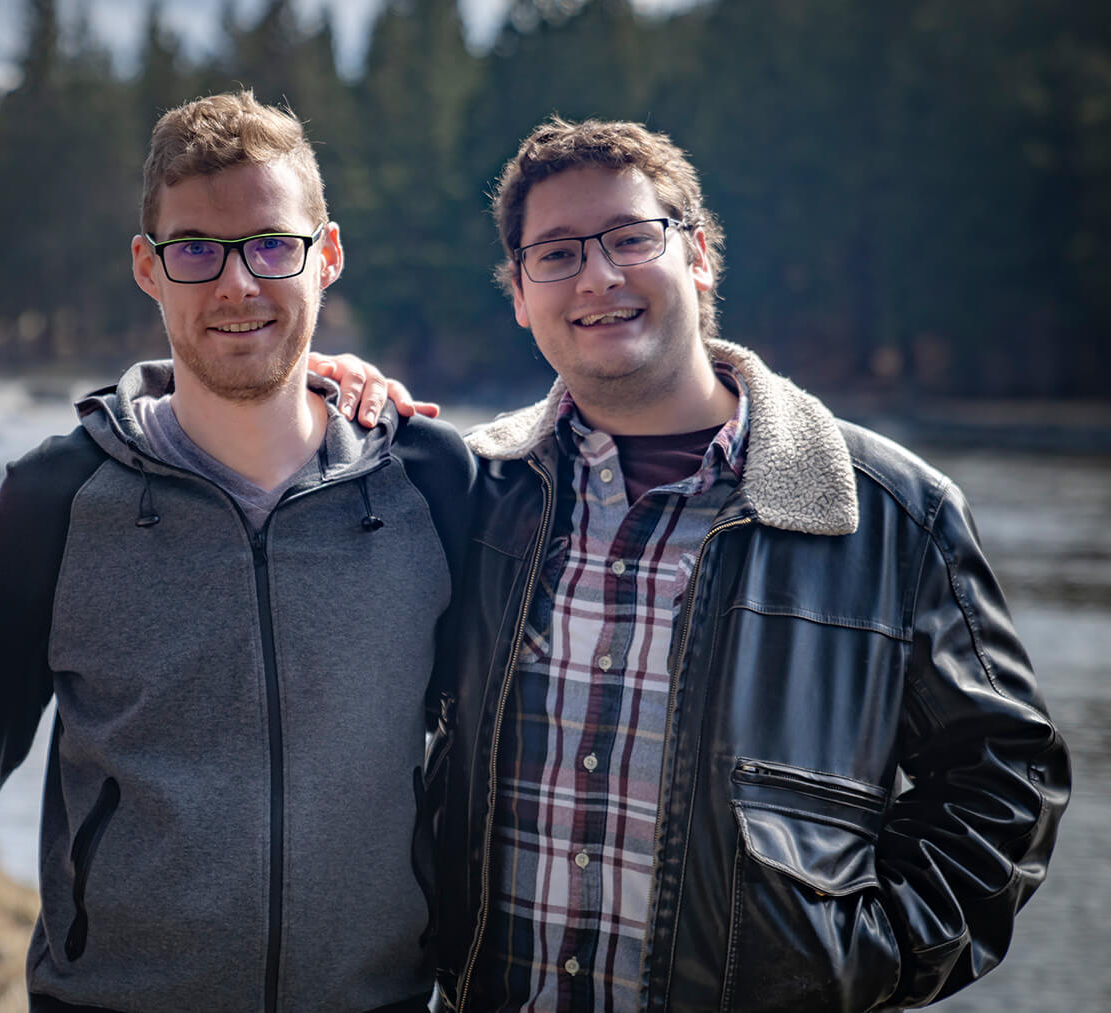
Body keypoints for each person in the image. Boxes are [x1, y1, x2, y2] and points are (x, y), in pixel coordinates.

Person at [430, 117, 1070, 1011]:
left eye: (630, 238)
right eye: (558, 253)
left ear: (698, 255)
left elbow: (1005, 774)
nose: (599, 276)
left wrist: (859, 960)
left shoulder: (892, 513)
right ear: (520, 294)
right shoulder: (471, 494)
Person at [0, 91, 474, 1012]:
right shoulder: (56, 500)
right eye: (195, 249)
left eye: (272, 245)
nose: (237, 285)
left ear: (327, 256)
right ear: (146, 268)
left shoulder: (432, 481)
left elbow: (484, 741)